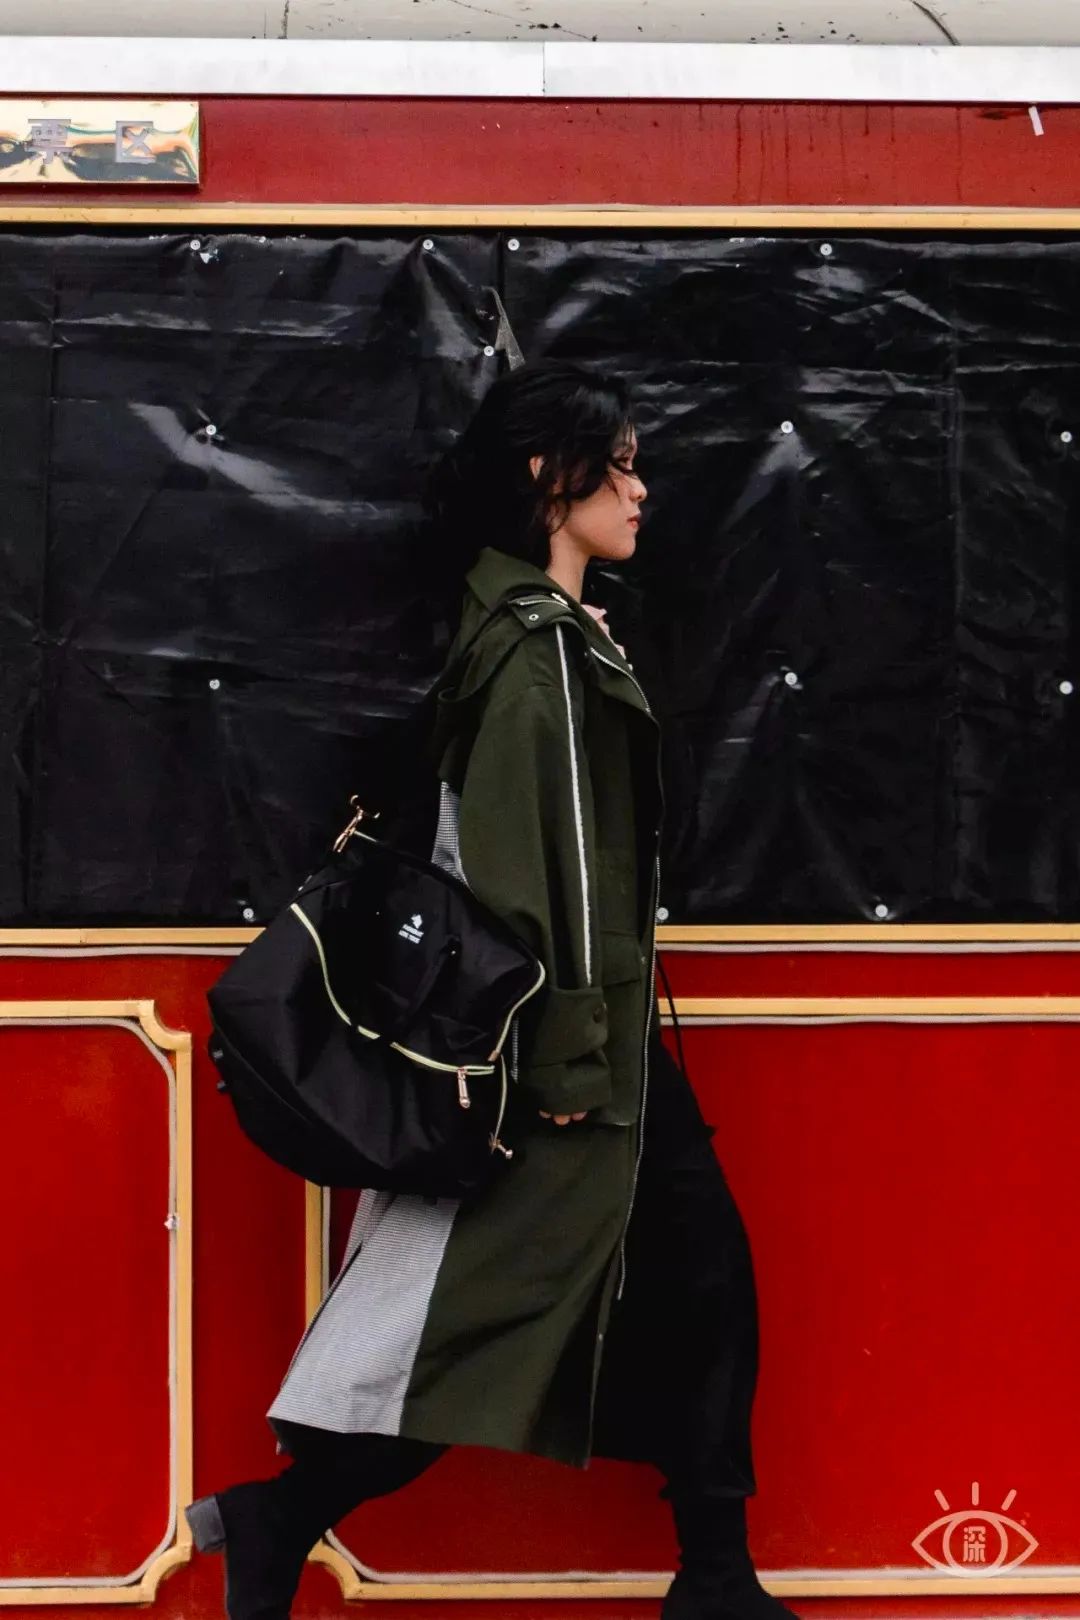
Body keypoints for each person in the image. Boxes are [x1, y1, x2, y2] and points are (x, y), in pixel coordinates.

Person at [186, 360, 792, 1620]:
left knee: (677, 1292)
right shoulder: (536, 654)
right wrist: (567, 1063)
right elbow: (538, 873)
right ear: (548, 479)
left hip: (589, 1047)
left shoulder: (541, 635)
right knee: (486, 1322)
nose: (640, 490)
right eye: (618, 465)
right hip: (572, 1057)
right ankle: (283, 1513)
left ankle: (715, 1577)